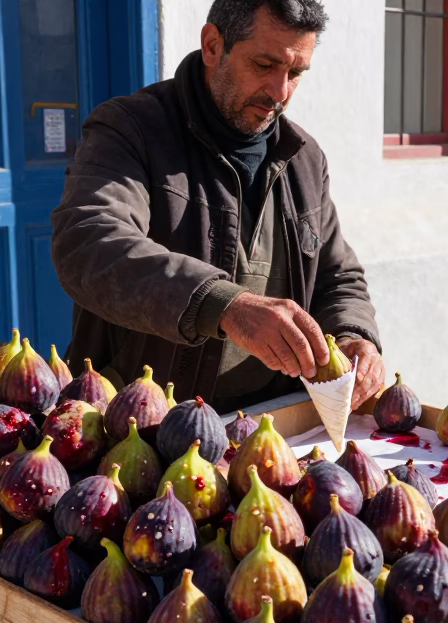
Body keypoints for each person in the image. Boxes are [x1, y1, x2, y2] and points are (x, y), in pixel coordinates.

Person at [50, 0, 383, 414]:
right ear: (212, 45)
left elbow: (337, 276)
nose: (280, 92)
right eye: (264, 65)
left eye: (295, 73)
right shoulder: (129, 129)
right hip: (144, 421)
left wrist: (354, 334)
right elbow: (88, 245)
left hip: (274, 420)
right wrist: (224, 305)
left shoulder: (305, 158)